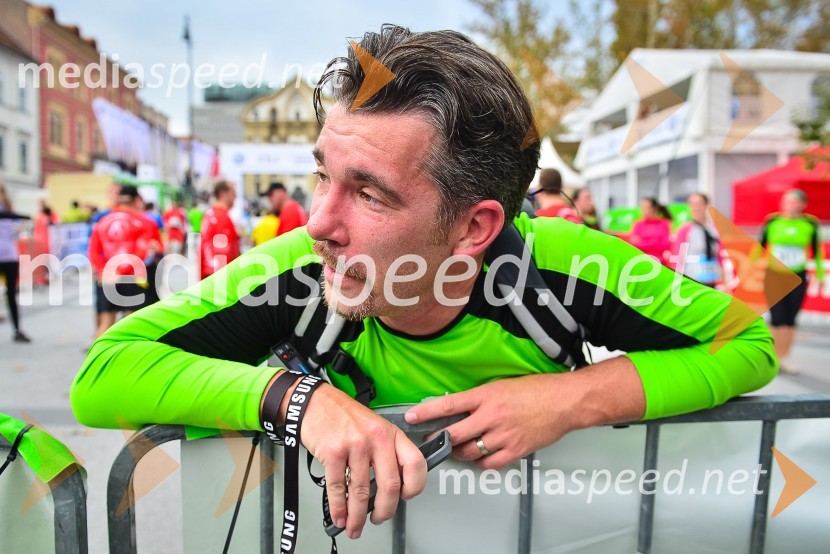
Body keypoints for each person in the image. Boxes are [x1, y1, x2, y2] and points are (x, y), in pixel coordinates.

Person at [72, 25, 775, 542]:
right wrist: (296, 400)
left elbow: (747, 343)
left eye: (369, 195)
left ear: (475, 227)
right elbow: (103, 375)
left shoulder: (565, 266)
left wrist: (572, 398)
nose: (319, 223)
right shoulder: (297, 267)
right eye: (323, 175)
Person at [760, 189, 824, 374]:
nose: (790, 205)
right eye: (786, 201)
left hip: (797, 275)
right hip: (774, 275)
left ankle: (785, 356)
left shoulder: (810, 223)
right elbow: (759, 246)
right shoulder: (772, 221)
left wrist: (820, 276)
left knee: (790, 318)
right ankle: (773, 356)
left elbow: (817, 251)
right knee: (777, 317)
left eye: (794, 201)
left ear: (803, 204)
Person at [87, 185, 163, 341]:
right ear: (136, 200)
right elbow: (140, 253)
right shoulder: (146, 222)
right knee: (131, 325)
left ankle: (98, 362)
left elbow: (93, 251)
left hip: (108, 276)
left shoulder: (102, 221)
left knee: (106, 325)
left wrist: (104, 271)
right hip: (133, 278)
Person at [0, 184, 31, 342]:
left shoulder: (10, 212)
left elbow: (16, 232)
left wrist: (17, 228)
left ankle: (17, 330)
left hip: (10, 257)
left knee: (12, 294)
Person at [671, 192, 722, 287]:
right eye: (693, 204)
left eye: (699, 204)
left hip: (711, 278)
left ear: (706, 205)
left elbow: (719, 255)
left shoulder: (713, 230)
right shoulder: (685, 230)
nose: (696, 208)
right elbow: (677, 256)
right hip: (692, 280)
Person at [200, 181, 240, 278]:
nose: (235, 196)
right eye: (233, 192)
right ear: (223, 193)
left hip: (210, 272)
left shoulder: (210, 214)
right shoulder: (221, 217)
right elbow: (223, 251)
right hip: (219, 275)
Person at [628, 197, 672, 264]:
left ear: (654, 209)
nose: (643, 210)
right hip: (640, 261)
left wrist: (643, 242)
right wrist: (655, 242)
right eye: (642, 207)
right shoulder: (638, 224)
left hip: (659, 262)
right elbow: (633, 244)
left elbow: (665, 245)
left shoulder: (664, 224)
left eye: (646, 207)